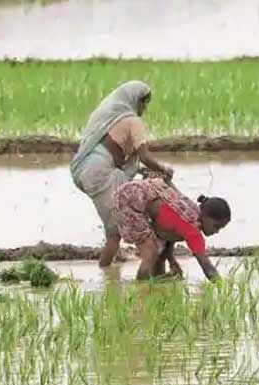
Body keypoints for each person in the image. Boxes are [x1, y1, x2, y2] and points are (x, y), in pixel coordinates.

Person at [70, 81, 174, 267]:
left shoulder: (115, 120)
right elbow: (144, 156)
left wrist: (147, 171)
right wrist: (163, 169)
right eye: (144, 103)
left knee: (116, 225)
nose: (145, 108)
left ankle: (110, 272)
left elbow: (123, 158)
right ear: (135, 101)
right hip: (100, 172)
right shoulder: (133, 121)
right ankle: (108, 274)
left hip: (92, 169)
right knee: (115, 231)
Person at [113, 178, 231, 281]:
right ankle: (141, 287)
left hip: (136, 191)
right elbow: (208, 268)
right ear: (205, 216)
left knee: (160, 253)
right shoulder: (193, 231)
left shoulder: (192, 212)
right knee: (151, 252)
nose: (216, 232)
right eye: (216, 226)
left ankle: (155, 285)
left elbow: (171, 233)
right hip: (130, 200)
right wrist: (222, 289)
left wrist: (171, 259)